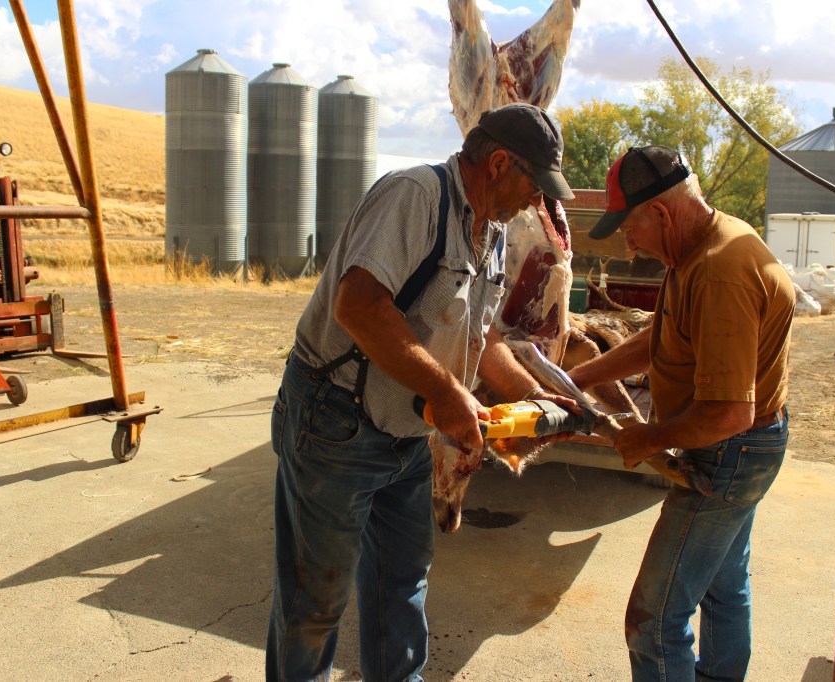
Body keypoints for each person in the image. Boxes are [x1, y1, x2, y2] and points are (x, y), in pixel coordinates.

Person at [266, 102, 576, 682]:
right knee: (315, 602)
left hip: (406, 434)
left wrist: (542, 399)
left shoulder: (495, 232)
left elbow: (479, 340)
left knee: (401, 584)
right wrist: (448, 392)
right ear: (499, 162)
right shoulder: (415, 196)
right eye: (535, 185)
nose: (538, 202)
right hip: (336, 421)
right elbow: (357, 305)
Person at [566, 145, 795, 682]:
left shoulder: (720, 272)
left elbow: (729, 415)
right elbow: (661, 336)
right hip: (742, 445)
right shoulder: (702, 246)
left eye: (631, 227)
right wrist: (577, 377)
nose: (630, 242)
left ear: (662, 212)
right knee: (723, 584)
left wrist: (648, 437)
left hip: (731, 452)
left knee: (654, 618)